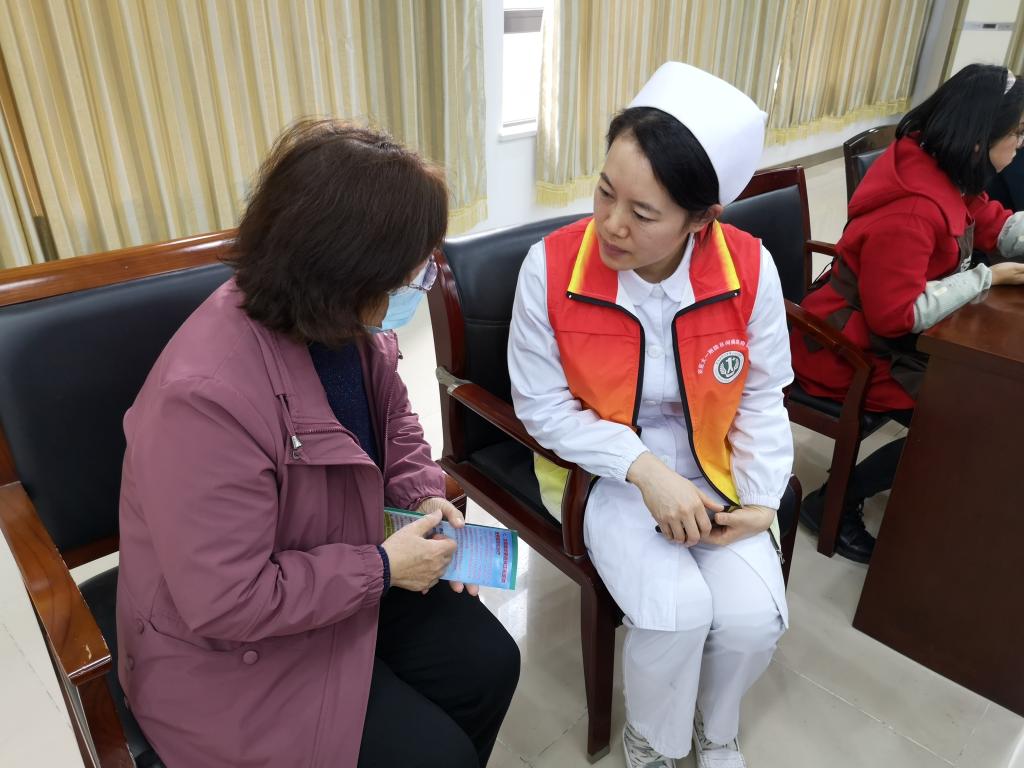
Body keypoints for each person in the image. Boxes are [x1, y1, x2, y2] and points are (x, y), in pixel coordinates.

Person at [116, 119, 520, 768]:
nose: (418, 284)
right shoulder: (202, 401)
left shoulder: (346, 326)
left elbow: (395, 424)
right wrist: (382, 569)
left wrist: (420, 496)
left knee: (491, 664)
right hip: (237, 643)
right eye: (409, 273)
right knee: (433, 753)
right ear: (346, 274)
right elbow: (227, 598)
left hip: (340, 560)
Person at [509, 62, 792, 768]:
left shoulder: (748, 269)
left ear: (702, 220)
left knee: (754, 620)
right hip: (603, 471)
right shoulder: (551, 268)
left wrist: (762, 498)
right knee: (676, 613)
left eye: (642, 214)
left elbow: (761, 394)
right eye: (605, 192)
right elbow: (542, 406)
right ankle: (653, 744)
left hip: (715, 464)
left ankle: (716, 729)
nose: (610, 224)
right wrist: (640, 468)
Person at [792, 64, 1024, 562]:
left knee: (980, 399)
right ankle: (833, 502)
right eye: (1017, 133)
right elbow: (895, 316)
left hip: (878, 334)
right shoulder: (915, 208)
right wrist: (985, 278)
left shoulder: (944, 167)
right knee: (961, 419)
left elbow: (993, 224)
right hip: (844, 350)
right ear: (981, 140)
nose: (1020, 144)